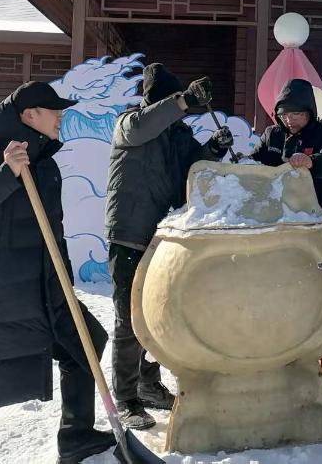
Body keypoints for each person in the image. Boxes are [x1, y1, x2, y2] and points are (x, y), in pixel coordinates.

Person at [0, 81, 114, 464]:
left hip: (44, 290)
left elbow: (51, 233)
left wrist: (64, 282)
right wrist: (6, 173)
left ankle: (77, 436)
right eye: (55, 111)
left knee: (86, 342)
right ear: (30, 115)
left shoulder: (46, 163)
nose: (61, 117)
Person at [105, 64, 234, 430]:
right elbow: (144, 125)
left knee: (155, 314)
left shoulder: (178, 134)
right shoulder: (130, 123)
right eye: (173, 100)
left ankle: (148, 385)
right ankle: (126, 398)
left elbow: (192, 169)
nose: (180, 107)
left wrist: (214, 148)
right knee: (129, 318)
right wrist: (183, 101)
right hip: (129, 232)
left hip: (162, 236)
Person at [249, 78, 322, 216]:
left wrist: (311, 161)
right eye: (284, 115)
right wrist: (223, 149)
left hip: (313, 216)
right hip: (271, 213)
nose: (289, 120)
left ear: (309, 112)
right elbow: (251, 163)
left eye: (296, 114)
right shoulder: (271, 134)